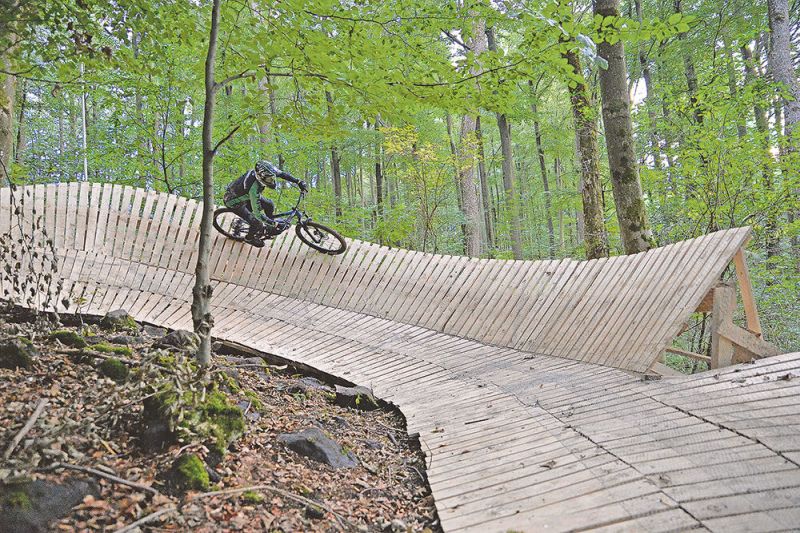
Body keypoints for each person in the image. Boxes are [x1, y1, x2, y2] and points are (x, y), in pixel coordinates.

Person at [223, 160, 307, 247]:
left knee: (269, 204)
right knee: (257, 222)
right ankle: (249, 238)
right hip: (234, 202)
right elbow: (258, 214)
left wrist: (298, 181)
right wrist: (276, 224)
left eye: (272, 177)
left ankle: (269, 226)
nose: (272, 180)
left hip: (244, 195)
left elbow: (282, 174)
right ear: (260, 177)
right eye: (269, 179)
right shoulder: (253, 188)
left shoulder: (267, 171)